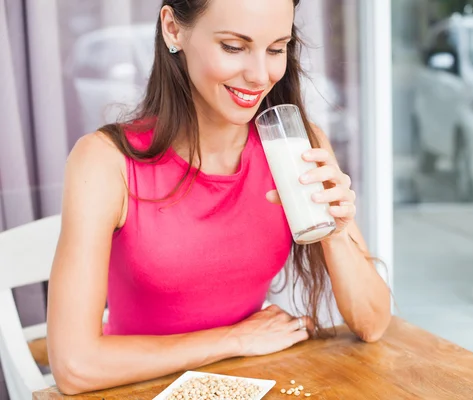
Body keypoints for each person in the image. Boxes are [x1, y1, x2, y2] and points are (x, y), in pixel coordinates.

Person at [47, 0, 391, 395]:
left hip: (250, 381)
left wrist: (332, 232)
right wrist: (234, 340)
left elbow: (373, 323)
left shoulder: (295, 147)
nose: (260, 75)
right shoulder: (104, 161)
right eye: (233, 46)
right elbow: (75, 367)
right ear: (173, 29)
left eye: (277, 48)